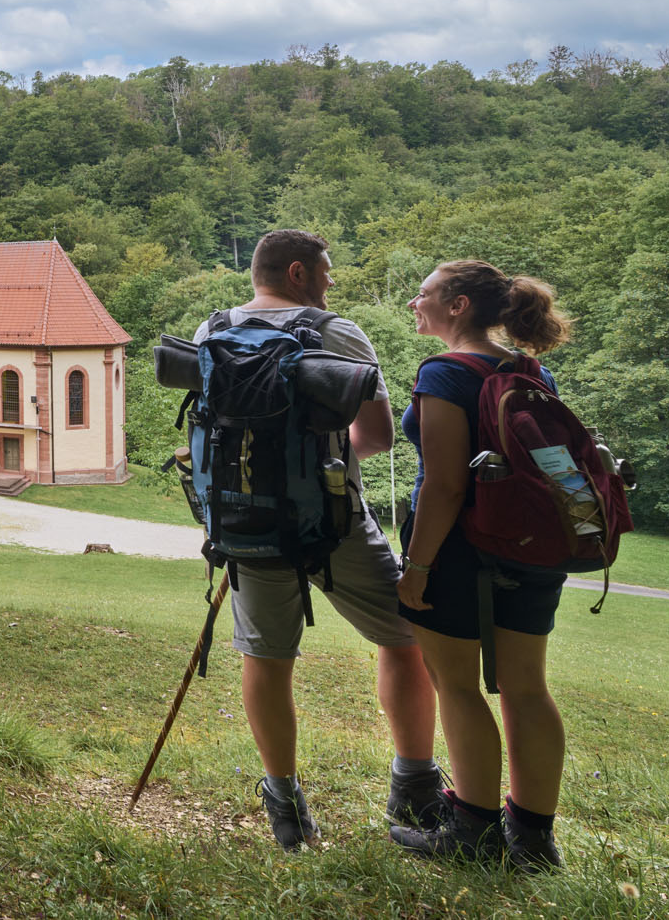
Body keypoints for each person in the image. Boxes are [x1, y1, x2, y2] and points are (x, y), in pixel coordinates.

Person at [193, 230, 442, 852]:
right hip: (335, 520)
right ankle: (413, 783)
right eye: (326, 273)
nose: (332, 284)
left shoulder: (209, 330)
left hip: (245, 525)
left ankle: (284, 801)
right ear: (299, 272)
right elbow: (379, 434)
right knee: (406, 638)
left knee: (266, 658)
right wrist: (317, 468)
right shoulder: (337, 332)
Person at [390, 260, 574, 871]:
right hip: (531, 545)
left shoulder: (444, 372)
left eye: (423, 294)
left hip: (458, 551)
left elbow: (443, 486)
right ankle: (534, 839)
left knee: (458, 686)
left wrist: (417, 567)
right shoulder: (530, 369)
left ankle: (472, 829)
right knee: (527, 688)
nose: (414, 303)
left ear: (458, 305)